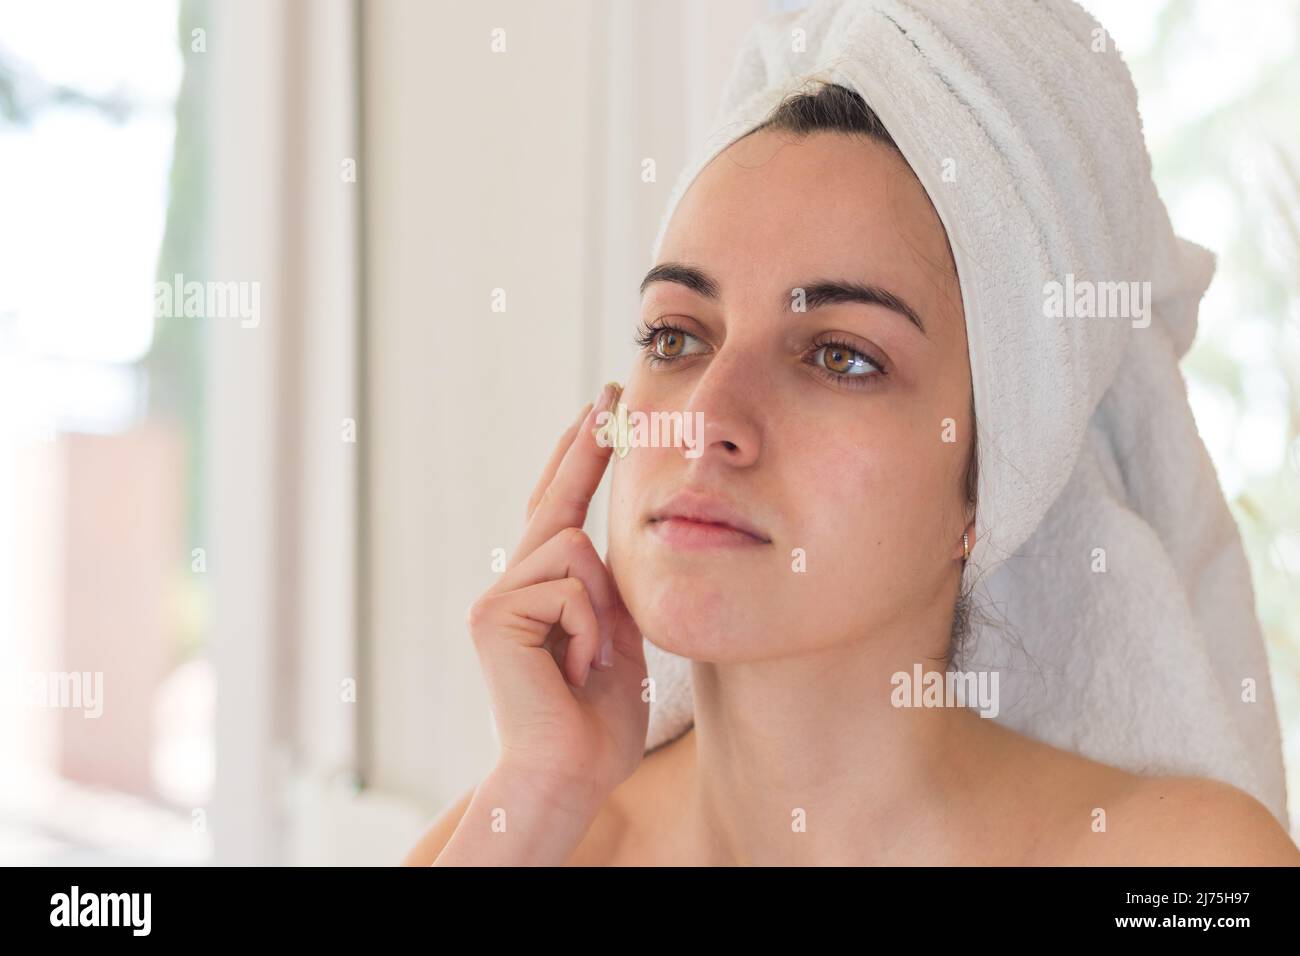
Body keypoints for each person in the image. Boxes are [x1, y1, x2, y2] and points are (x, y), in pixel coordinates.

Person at [403, 82, 1299, 866]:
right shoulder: (514, 837)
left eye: (840, 356)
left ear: (989, 483)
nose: (708, 420)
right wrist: (543, 798)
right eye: (675, 338)